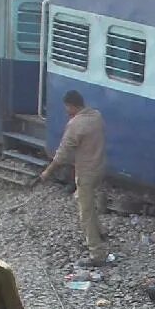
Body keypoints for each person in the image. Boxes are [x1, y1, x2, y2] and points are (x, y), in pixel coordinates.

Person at [42, 90, 109, 264]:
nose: (66, 111)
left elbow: (63, 153)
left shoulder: (76, 124)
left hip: (86, 172)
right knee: (85, 199)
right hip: (100, 169)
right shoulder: (97, 116)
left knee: (85, 212)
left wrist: (48, 171)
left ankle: (97, 253)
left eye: (67, 107)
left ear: (72, 105)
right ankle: (100, 232)